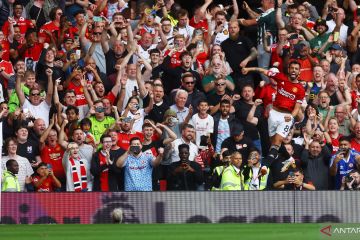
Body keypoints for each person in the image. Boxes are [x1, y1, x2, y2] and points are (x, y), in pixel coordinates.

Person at [242, 61, 305, 157]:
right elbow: (264, 71)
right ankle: (287, 158)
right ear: (288, 69)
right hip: (274, 113)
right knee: (273, 142)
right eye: (292, 68)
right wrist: (248, 69)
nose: (293, 70)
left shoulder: (300, 89)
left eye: (296, 69)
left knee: (277, 141)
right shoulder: (280, 77)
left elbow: (297, 108)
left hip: (286, 116)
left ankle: (266, 164)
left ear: (299, 72)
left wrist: (291, 116)